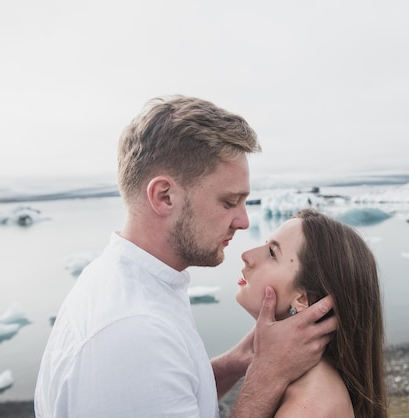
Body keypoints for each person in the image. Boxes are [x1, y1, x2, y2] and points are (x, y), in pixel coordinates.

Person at [34, 95, 337, 418]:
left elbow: (168, 393)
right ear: (164, 197)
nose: (243, 221)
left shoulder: (125, 283)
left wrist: (244, 357)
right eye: (228, 201)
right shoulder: (133, 334)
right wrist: (268, 375)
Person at [236, 208, 388, 417]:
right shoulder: (305, 383)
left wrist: (262, 377)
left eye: (272, 253)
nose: (246, 256)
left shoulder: (308, 406)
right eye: (265, 244)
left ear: (303, 299)